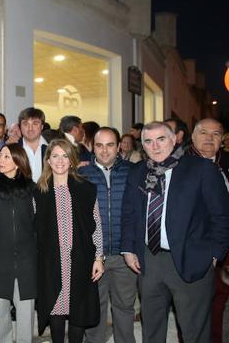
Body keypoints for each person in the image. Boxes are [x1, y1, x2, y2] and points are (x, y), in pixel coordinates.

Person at [120, 121, 229, 343]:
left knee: (194, 332)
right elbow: (129, 213)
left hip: (192, 259)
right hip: (149, 262)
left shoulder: (201, 169)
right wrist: (128, 249)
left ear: (174, 139)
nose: (155, 146)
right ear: (143, 146)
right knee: (152, 328)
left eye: (161, 139)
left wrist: (216, 253)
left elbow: (221, 215)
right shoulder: (138, 172)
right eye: (148, 141)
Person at [34, 138, 104, 343]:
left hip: (80, 260)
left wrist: (98, 257)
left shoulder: (86, 189)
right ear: (48, 160)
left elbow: (96, 225)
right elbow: (34, 231)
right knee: (55, 308)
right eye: (55, 156)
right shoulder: (39, 191)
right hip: (51, 262)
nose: (60, 161)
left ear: (72, 161)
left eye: (65, 156)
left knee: (78, 310)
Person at [79, 128, 136, 343]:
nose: (104, 150)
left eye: (110, 144)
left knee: (124, 306)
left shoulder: (133, 171)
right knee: (95, 308)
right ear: (92, 147)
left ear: (119, 146)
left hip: (125, 254)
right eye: (99, 145)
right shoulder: (82, 175)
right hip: (94, 255)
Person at [0, 143, 35, 343]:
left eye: (6, 157)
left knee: (26, 310)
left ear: (18, 162)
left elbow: (35, 223)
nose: (1, 160)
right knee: (1, 309)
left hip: (27, 259)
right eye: (0, 156)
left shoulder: (30, 187)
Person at [184, 118, 229, 343]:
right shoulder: (179, 164)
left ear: (223, 140)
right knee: (189, 305)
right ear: (193, 137)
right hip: (191, 247)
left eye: (216, 134)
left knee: (219, 300)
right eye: (203, 133)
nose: (209, 138)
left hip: (224, 247)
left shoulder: (226, 165)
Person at [19, 107, 48, 182]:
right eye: (25, 124)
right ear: (20, 127)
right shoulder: (12, 150)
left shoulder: (52, 149)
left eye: (35, 123)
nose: (30, 128)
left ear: (42, 126)